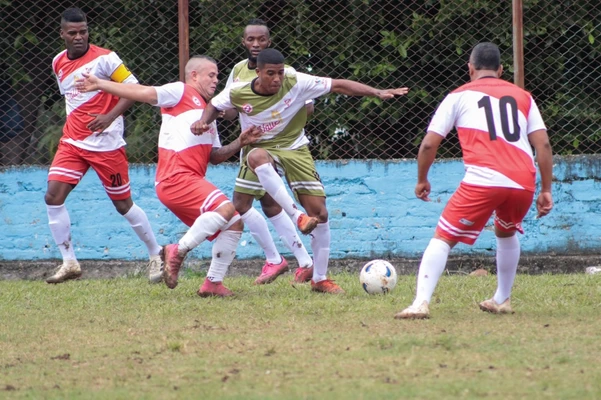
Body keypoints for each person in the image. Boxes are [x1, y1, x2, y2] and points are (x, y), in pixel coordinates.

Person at [191, 48, 409, 294]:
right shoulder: (239, 91)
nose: (276, 79)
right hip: (259, 147)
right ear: (258, 72)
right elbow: (213, 105)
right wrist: (203, 121)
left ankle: (319, 278)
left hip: (295, 148)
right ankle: (205, 265)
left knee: (321, 214)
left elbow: (338, 85)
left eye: (280, 73)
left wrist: (376, 92)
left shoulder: (296, 80)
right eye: (270, 74)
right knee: (241, 200)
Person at [77, 55, 263, 296]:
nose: (217, 80)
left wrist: (240, 141)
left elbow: (215, 156)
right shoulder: (180, 91)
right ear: (194, 75)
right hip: (176, 178)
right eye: (212, 75)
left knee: (234, 222)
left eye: (218, 76)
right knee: (226, 209)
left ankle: (212, 283)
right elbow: (142, 92)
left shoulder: (209, 114)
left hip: (187, 180)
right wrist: (101, 84)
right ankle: (176, 250)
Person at [394, 42, 554, 319]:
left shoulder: (458, 96)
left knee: (443, 237)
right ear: (501, 70)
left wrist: (422, 179)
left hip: (485, 178)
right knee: (506, 232)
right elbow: (544, 145)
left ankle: (420, 302)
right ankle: (502, 299)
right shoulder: (523, 96)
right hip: (522, 181)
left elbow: (430, 144)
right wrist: (547, 189)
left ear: (470, 68)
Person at [45, 8, 163, 284]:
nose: (78, 37)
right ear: (62, 34)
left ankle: (156, 254)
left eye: (83, 31)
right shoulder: (58, 62)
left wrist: (110, 117)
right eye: (72, 32)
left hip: (106, 146)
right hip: (73, 142)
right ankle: (69, 262)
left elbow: (135, 89)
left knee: (123, 205)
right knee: (53, 197)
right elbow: (72, 101)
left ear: (88, 32)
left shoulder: (107, 59)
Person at [225, 18, 316, 285]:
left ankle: (279, 260)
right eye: (250, 39)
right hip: (252, 146)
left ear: (269, 41)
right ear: (243, 42)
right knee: (267, 203)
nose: (255, 44)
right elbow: (230, 110)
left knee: (240, 205)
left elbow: (308, 106)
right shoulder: (239, 71)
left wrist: (275, 116)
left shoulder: (285, 72)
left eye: (261, 39)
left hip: (277, 147)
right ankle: (300, 262)